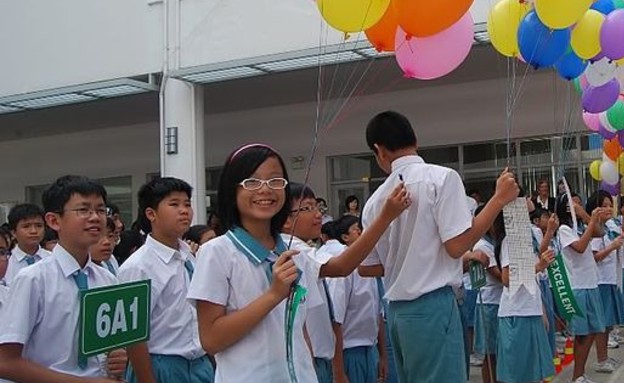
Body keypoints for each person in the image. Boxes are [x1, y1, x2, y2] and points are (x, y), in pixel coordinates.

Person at [187, 143, 409, 383]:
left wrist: (385, 217)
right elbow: (211, 339)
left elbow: (303, 324)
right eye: (252, 182)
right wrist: (273, 295)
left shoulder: (294, 251)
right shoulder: (217, 253)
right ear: (233, 190)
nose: (265, 190)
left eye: (275, 181)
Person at [358, 111, 519, 382]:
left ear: (379, 151)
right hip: (432, 307)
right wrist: (498, 200)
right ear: (415, 140)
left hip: (396, 313)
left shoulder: (375, 201)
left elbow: (367, 266)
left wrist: (412, 259)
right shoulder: (440, 178)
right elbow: (457, 246)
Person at [0, 175, 122, 382]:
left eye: (100, 210)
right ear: (54, 220)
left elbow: (110, 346)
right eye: (83, 210)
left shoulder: (107, 280)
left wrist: (118, 356)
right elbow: (6, 362)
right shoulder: (33, 280)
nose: (94, 217)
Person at [118, 177, 214, 383]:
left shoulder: (189, 255)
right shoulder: (138, 266)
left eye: (187, 204)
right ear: (151, 213)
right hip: (161, 365)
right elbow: (134, 336)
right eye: (174, 204)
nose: (184, 210)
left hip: (199, 362)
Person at [281, 183, 336, 383]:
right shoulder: (293, 250)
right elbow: (341, 267)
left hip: (318, 358)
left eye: (317, 207)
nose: (317, 215)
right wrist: (384, 217)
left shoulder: (305, 249)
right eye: (307, 208)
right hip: (309, 361)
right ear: (285, 219)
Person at [555, 193, 610, 383]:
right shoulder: (563, 229)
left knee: (593, 330)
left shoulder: (579, 226)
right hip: (577, 286)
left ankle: (580, 374)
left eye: (579, 203)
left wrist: (588, 218)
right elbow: (579, 247)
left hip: (590, 283)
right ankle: (576, 376)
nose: (577, 207)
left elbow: (600, 232)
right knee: (582, 334)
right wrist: (591, 220)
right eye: (573, 204)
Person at [325, 215, 386, 383]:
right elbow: (335, 321)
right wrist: (338, 371)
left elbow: (377, 315)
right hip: (349, 352)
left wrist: (383, 356)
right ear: (345, 238)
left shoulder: (369, 267)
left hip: (369, 349)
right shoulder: (343, 270)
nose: (363, 233)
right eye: (357, 230)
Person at [587, 191, 624, 373]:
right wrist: (612, 247)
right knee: (602, 324)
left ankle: (605, 357)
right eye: (605, 205)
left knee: (608, 323)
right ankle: (601, 359)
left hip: (611, 279)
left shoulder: (609, 227)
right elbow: (595, 257)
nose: (609, 209)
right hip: (600, 281)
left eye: (611, 205)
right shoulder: (595, 231)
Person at [472, 208, 504, 383]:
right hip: (489, 303)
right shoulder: (482, 246)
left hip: (500, 302)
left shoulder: (496, 243)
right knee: (490, 353)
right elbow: (498, 275)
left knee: (499, 351)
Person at [4, 203, 51, 286]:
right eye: (26, 226)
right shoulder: (6, 262)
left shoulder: (53, 258)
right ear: (13, 232)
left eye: (39, 226)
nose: (33, 231)